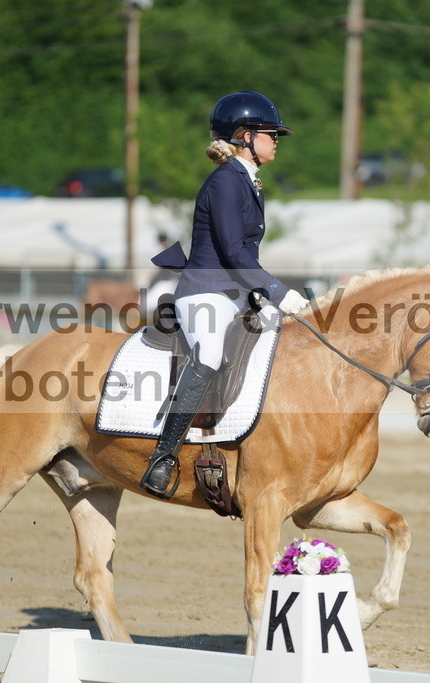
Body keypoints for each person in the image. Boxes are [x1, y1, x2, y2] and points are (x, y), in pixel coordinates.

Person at [141, 91, 309, 498]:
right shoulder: (224, 182)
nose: (276, 140)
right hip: (205, 292)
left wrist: (260, 296)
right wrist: (276, 290)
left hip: (233, 292)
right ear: (245, 136)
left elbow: (243, 255)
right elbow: (233, 251)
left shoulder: (247, 181)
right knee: (211, 353)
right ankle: (164, 457)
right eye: (270, 133)